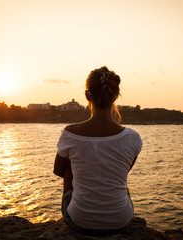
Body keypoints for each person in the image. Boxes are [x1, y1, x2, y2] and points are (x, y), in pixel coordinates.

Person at [53, 66, 142, 234]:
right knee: (118, 174)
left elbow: (58, 170)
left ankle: (83, 208)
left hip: (80, 221)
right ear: (115, 95)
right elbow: (124, 172)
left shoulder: (70, 133)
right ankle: (112, 209)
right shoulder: (133, 137)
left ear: (87, 95)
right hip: (121, 220)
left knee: (68, 163)